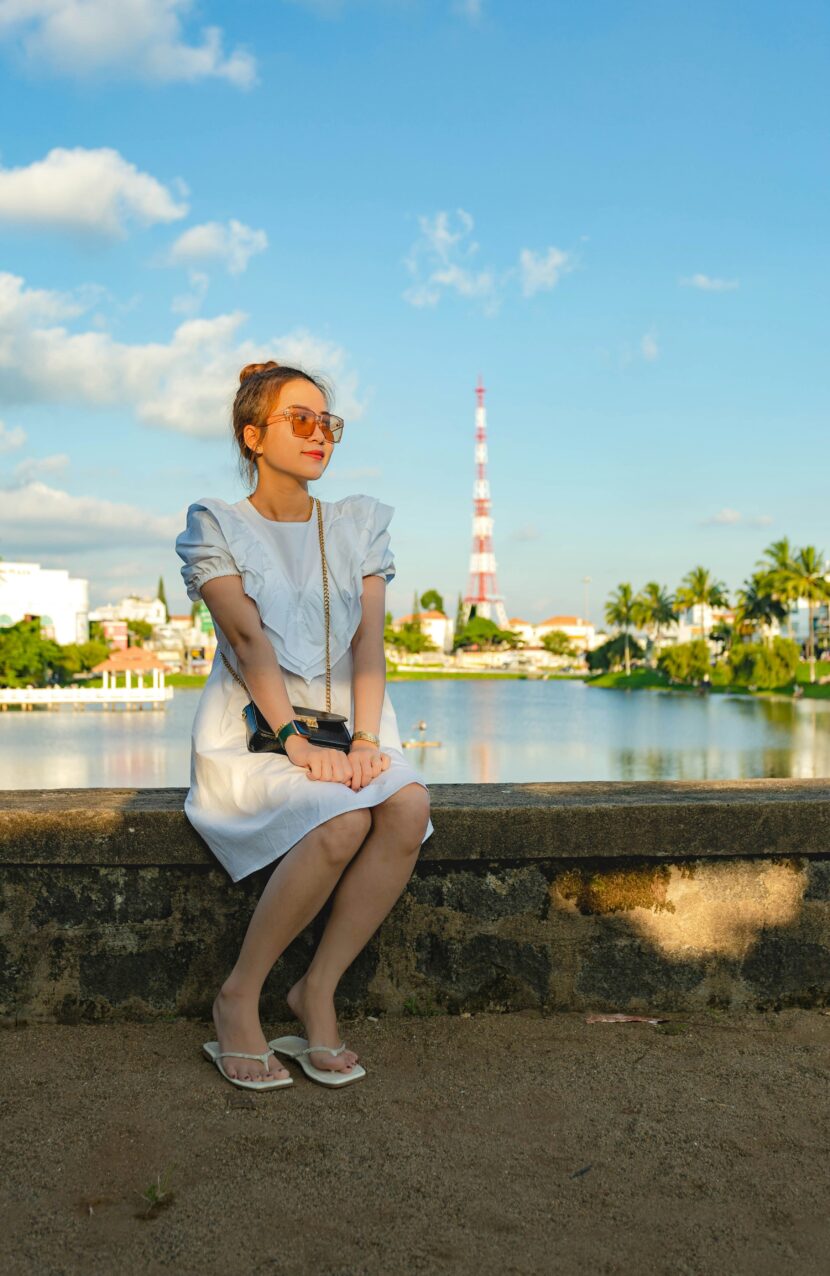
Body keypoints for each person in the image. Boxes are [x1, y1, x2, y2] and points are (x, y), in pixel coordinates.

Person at [175, 360, 434, 1091]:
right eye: (299, 419)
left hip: (346, 729)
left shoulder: (358, 524)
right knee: (342, 820)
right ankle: (238, 996)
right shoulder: (215, 525)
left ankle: (316, 990)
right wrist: (296, 743)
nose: (319, 434)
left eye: (327, 422)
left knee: (408, 805)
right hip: (253, 734)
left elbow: (369, 647)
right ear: (253, 435)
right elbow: (248, 641)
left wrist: (365, 740)